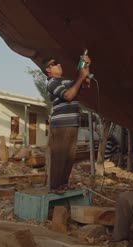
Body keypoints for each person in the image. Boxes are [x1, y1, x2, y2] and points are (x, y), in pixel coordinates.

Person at [43, 55, 91, 189]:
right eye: (55, 63)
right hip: (61, 125)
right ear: (48, 70)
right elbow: (68, 96)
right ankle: (55, 187)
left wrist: (86, 66)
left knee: (69, 157)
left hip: (72, 124)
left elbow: (83, 85)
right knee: (59, 157)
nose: (59, 65)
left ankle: (63, 185)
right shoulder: (52, 82)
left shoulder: (65, 82)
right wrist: (81, 77)